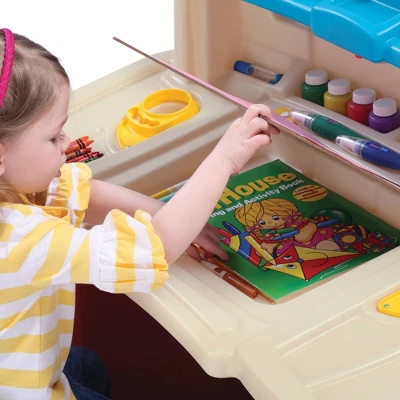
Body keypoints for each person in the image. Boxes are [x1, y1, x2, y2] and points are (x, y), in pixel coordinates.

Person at [0, 28, 279, 399]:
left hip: (28, 360)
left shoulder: (13, 186)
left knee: (89, 366)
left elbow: (86, 193)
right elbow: (154, 248)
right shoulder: (17, 238)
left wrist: (171, 214)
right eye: (54, 136)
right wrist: (225, 158)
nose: (67, 144)